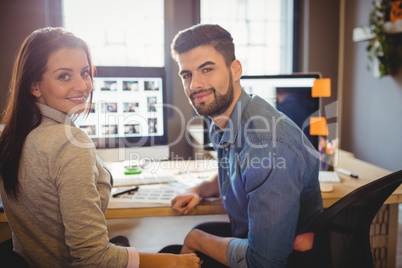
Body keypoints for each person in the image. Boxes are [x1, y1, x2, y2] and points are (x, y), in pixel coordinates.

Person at [0, 27, 201, 268]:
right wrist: (176, 263)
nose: (82, 86)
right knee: (177, 250)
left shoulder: (15, 135)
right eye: (64, 76)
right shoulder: (69, 143)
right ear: (34, 86)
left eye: (85, 73)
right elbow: (93, 259)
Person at [167, 24, 323, 267]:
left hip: (283, 259)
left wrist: (196, 240)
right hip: (247, 235)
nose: (195, 85)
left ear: (235, 69)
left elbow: (264, 262)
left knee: (188, 240)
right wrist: (199, 190)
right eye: (187, 74)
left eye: (206, 69)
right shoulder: (221, 117)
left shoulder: (269, 146)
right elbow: (236, 172)